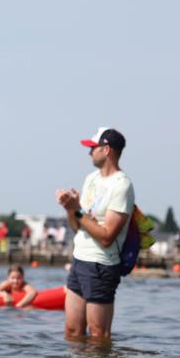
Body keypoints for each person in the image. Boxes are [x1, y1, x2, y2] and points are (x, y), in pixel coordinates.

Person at [56, 127, 134, 343]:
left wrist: (78, 211)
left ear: (106, 150)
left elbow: (107, 236)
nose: (89, 152)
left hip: (102, 265)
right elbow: (77, 226)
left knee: (98, 335)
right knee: (72, 332)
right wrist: (70, 208)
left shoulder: (122, 185)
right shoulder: (91, 179)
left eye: (93, 148)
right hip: (80, 259)